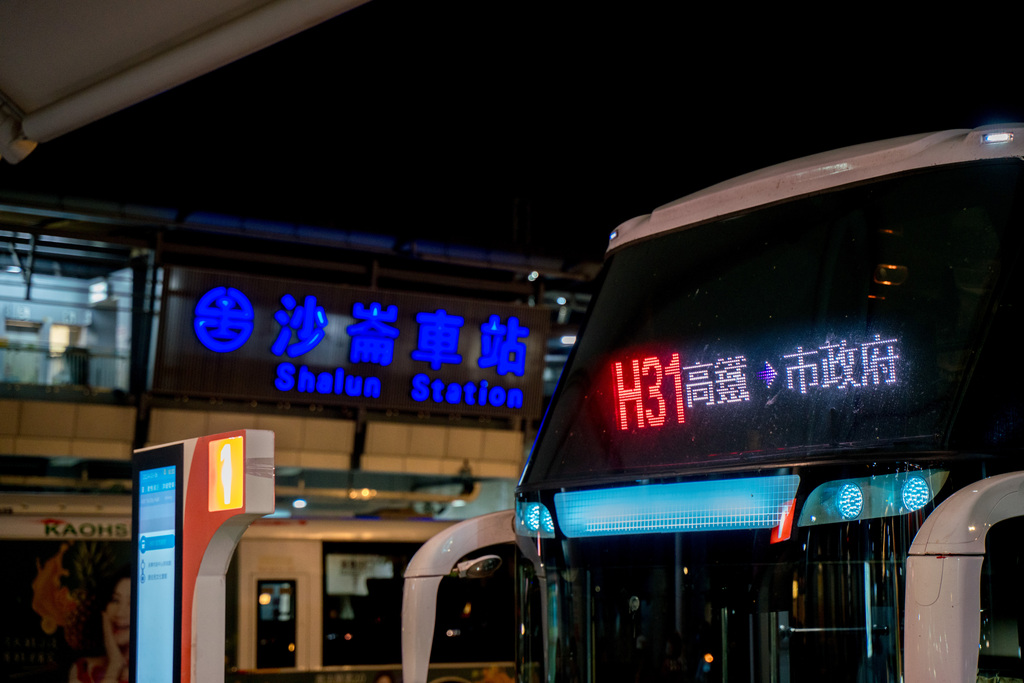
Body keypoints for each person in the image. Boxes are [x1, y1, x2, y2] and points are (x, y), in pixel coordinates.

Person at [69, 569, 130, 683]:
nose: (119, 613)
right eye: (115, 600)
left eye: (131, 603)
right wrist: (115, 665)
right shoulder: (84, 668)